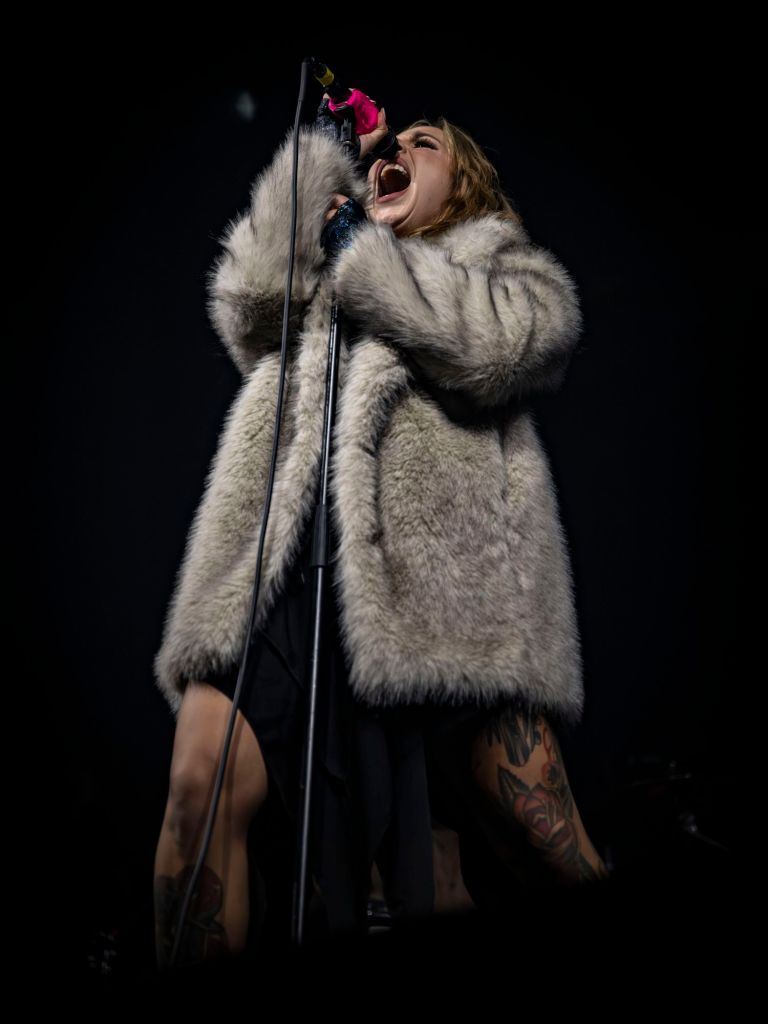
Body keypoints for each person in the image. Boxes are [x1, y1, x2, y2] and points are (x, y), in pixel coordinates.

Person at [152, 96, 608, 971]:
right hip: (279, 578)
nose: (394, 147)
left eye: (422, 144)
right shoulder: (327, 277)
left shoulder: (502, 267)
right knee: (195, 789)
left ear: (466, 184)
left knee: (543, 840)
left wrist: (370, 257)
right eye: (386, 147)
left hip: (448, 593)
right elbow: (247, 304)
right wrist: (323, 161)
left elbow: (515, 342)